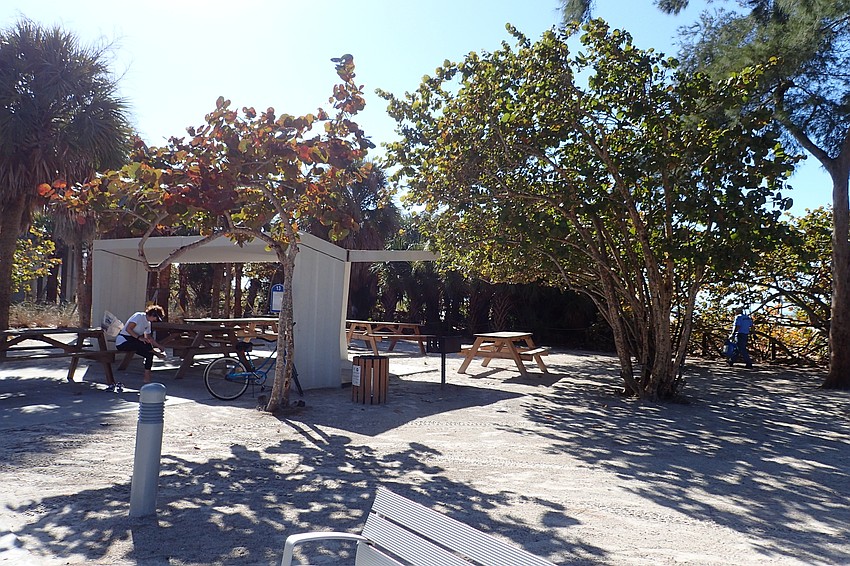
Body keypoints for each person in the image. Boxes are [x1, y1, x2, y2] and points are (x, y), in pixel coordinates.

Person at [115, 305, 167, 387]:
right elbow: (128, 329)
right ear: (152, 315)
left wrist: (159, 346)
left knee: (149, 354)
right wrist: (139, 338)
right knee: (143, 344)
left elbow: (149, 338)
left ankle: (147, 377)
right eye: (156, 318)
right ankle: (155, 353)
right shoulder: (139, 316)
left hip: (135, 342)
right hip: (123, 341)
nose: (155, 320)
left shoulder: (148, 323)